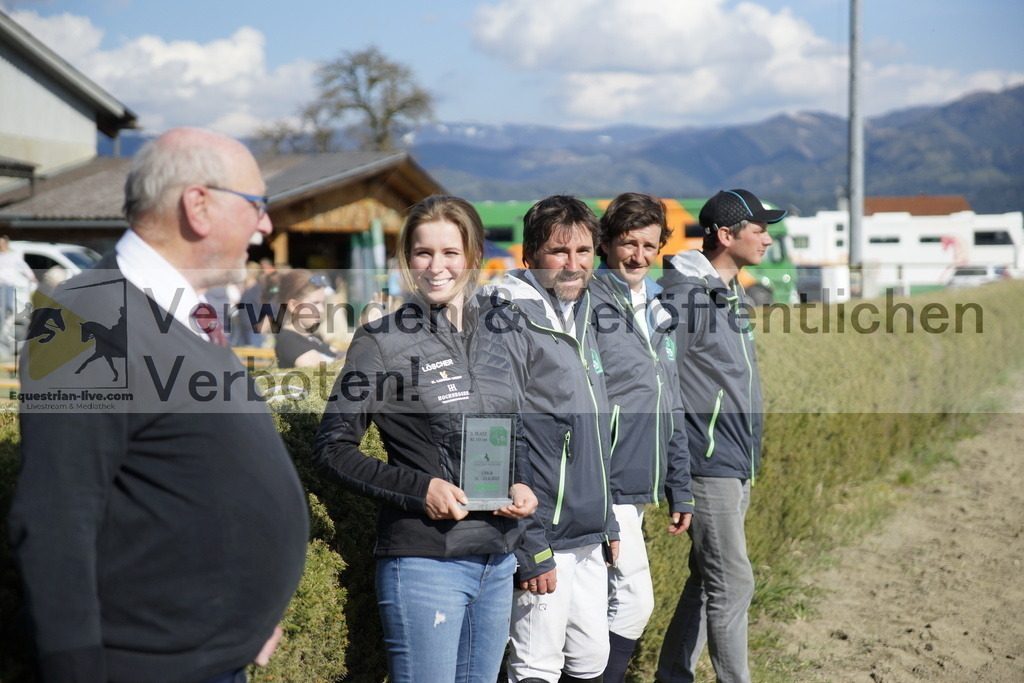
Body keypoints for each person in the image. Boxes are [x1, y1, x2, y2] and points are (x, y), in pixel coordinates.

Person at [8, 127, 310, 682]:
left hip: (213, 659)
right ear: (198, 205)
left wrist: (245, 619)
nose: (266, 225)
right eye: (257, 205)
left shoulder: (184, 313)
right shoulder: (88, 317)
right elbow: (55, 517)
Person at [312, 195, 538, 683]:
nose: (437, 267)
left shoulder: (500, 334)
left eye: (450, 252)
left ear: (473, 256)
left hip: (496, 561)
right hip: (426, 564)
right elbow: (332, 448)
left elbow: (510, 431)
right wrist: (421, 490)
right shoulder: (380, 341)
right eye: (423, 253)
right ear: (406, 258)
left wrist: (519, 482)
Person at [477, 195, 617, 683]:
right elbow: (494, 433)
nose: (573, 264)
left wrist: (608, 521)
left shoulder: (578, 312)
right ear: (529, 255)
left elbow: (590, 432)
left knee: (591, 660)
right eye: (559, 251)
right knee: (537, 665)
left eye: (584, 251)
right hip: (544, 533)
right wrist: (530, 544)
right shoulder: (505, 318)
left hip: (587, 530)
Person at [655, 189, 786, 682]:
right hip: (707, 465)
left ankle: (672, 676)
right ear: (726, 235)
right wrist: (677, 471)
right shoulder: (686, 297)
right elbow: (660, 380)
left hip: (735, 462)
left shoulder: (730, 294)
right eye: (759, 229)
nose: (767, 239)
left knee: (707, 582)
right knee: (733, 582)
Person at [589, 193, 694, 682]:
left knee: (598, 606)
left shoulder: (657, 305)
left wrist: (680, 485)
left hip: (638, 484)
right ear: (606, 244)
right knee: (633, 602)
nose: (638, 255)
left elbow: (669, 400)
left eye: (649, 245)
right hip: (603, 480)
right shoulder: (588, 302)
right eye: (628, 243)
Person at [270, 268, 341, 368]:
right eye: (315, 303)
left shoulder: (312, 337)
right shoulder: (289, 340)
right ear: (294, 305)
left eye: (322, 303)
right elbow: (323, 373)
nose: (321, 310)